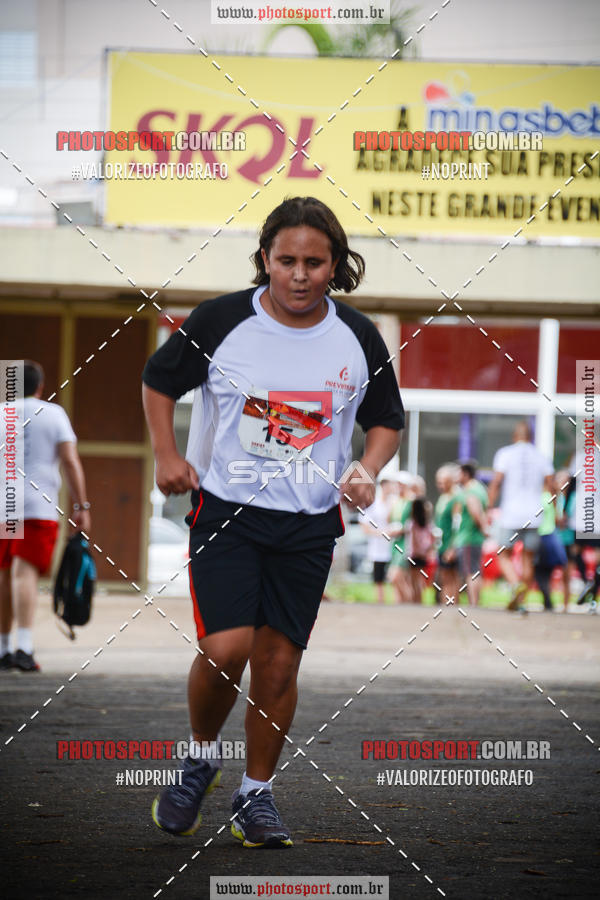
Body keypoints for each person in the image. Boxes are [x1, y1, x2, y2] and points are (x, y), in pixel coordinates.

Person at [142, 196, 404, 847]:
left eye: (315, 262)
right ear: (265, 259)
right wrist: (167, 455)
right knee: (226, 648)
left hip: (309, 520)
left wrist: (367, 468)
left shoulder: (358, 335)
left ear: (335, 265)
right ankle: (201, 757)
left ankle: (255, 796)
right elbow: (158, 379)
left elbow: (387, 420)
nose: (299, 274)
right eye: (285, 260)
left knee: (278, 666)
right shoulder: (222, 319)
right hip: (227, 509)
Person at [0, 361, 91, 671]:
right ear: (40, 387)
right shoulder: (52, 414)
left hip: (4, 505)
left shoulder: (1, 413)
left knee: (5, 574)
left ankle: (2, 649)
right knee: (23, 573)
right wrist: (81, 507)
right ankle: (24, 648)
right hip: (37, 505)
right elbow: (70, 461)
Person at [488, 422, 553, 612]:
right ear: (531, 437)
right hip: (534, 515)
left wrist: (490, 506)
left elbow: (497, 482)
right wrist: (557, 512)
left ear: (514, 436)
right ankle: (521, 601)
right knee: (528, 558)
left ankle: (516, 585)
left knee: (503, 554)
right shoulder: (541, 456)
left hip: (511, 514)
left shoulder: (504, 454)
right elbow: (551, 485)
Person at [454, 461, 488, 607]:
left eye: (458, 472)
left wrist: (483, 527)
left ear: (465, 474)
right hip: (474, 538)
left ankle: (473, 603)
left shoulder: (471, 490)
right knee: (474, 570)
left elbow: (475, 511)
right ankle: (475, 602)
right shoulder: (480, 488)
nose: (457, 476)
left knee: (471, 572)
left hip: (469, 537)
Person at [361, 478, 397, 604]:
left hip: (394, 546)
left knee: (395, 576)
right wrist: (382, 533)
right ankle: (380, 603)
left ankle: (397, 603)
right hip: (377, 547)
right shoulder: (373, 505)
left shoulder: (395, 503)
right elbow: (364, 526)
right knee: (379, 578)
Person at [534, 473, 567, 611]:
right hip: (551, 537)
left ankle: (547, 600)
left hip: (542, 536)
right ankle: (547, 600)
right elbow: (560, 520)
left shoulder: (542, 497)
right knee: (545, 571)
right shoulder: (556, 498)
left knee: (539, 571)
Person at [434, 464, 460, 605]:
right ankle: (446, 605)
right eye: (439, 482)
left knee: (452, 578)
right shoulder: (443, 498)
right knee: (444, 578)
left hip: (450, 545)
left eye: (444, 482)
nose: (441, 485)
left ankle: (452, 606)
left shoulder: (456, 498)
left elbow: (457, 524)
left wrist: (453, 548)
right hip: (441, 544)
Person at [403, 494, 434, 604]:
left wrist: (417, 551)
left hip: (413, 555)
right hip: (423, 555)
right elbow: (432, 539)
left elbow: (414, 541)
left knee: (413, 580)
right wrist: (426, 551)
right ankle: (419, 601)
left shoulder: (412, 524)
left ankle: (415, 601)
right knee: (420, 580)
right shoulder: (427, 524)